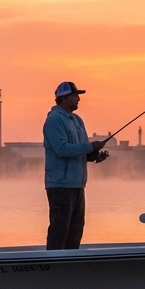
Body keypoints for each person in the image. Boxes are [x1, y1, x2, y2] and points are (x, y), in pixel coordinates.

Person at [43, 81, 109, 250]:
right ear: (63, 98)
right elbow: (62, 149)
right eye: (74, 95)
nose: (78, 98)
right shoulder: (54, 120)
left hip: (77, 184)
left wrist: (93, 155)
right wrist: (90, 146)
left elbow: (78, 150)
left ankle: (70, 265)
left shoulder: (77, 120)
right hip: (60, 184)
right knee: (60, 229)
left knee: (75, 230)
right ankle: (54, 267)